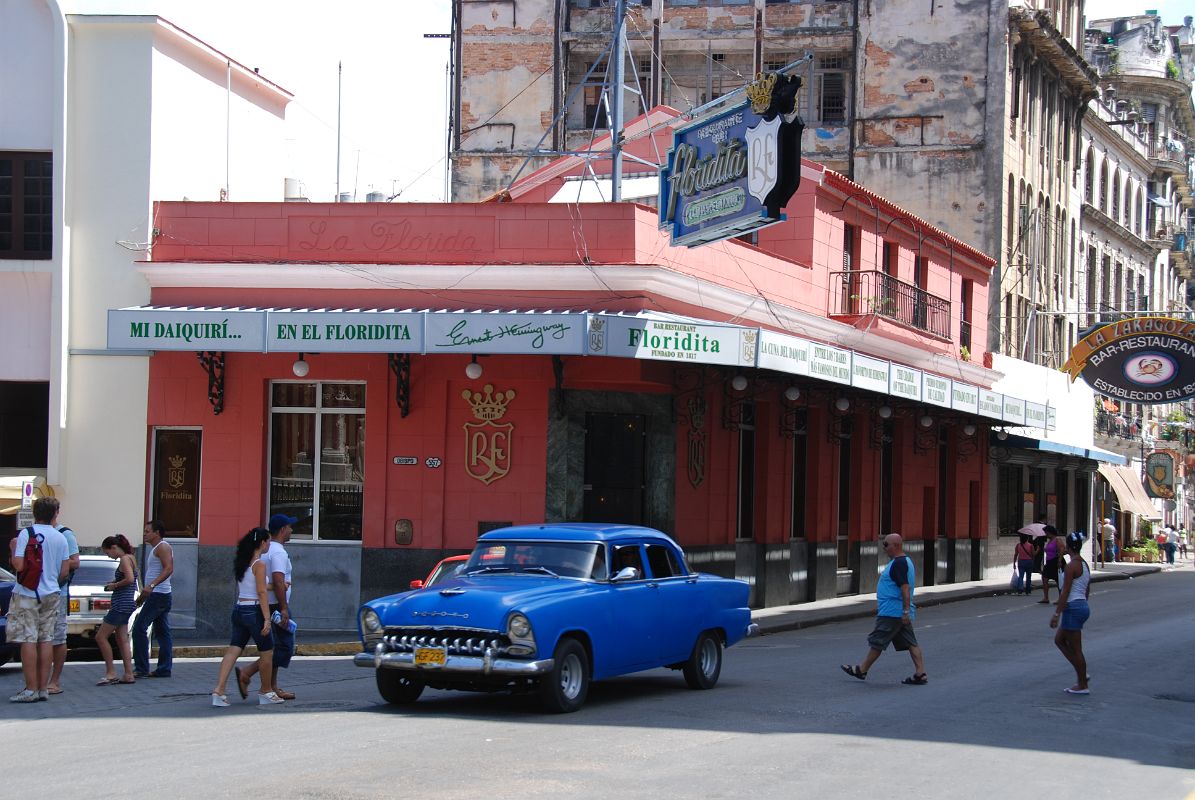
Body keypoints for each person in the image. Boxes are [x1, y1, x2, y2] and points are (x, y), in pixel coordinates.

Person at [840, 533, 927, 685]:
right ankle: (920, 673)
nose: (884, 548)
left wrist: (905, 611)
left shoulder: (899, 563)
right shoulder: (904, 561)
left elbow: (905, 588)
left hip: (892, 612)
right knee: (911, 642)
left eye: (886, 545)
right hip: (897, 612)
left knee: (878, 641)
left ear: (896, 545)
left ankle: (862, 670)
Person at [211, 527, 284, 706]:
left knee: (233, 650)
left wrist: (272, 586)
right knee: (267, 651)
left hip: (239, 609)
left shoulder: (243, 562)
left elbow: (253, 586)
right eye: (267, 541)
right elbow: (260, 591)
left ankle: (218, 691)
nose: (268, 544)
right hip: (254, 611)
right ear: (262, 543)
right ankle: (266, 691)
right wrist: (267, 618)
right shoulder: (259, 564)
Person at [8, 497, 71, 703]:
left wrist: (12, 549)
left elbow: (18, 565)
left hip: (27, 592)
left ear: (35, 513)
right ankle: (44, 688)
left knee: (28, 639)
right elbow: (64, 571)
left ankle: (30, 689)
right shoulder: (61, 537)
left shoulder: (26, 533)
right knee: (46, 639)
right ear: (55, 514)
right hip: (52, 593)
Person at [237, 513, 297, 701]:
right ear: (282, 530)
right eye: (289, 527)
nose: (291, 530)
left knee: (275, 645)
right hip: (276, 605)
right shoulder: (278, 551)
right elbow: (279, 581)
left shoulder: (267, 549)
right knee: (283, 647)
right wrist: (284, 607)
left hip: (266, 604)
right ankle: (249, 674)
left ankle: (272, 686)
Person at [1051, 532, 1092, 695]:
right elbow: (1087, 588)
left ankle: (1082, 683)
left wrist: (1056, 614)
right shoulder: (1084, 564)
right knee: (1060, 640)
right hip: (1081, 605)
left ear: (1068, 547)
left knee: (1076, 649)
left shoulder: (1071, 566)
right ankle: (1082, 674)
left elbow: (1065, 591)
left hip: (1073, 607)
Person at [132, 519, 174, 678]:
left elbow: (169, 568)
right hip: (159, 595)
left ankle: (141, 668)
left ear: (157, 533)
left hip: (158, 595)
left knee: (139, 628)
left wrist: (152, 585)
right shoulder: (157, 548)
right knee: (163, 632)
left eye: (147, 531)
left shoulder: (162, 547)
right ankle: (164, 669)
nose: (144, 534)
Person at [95, 535, 138, 686]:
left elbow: (130, 579)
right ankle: (128, 673)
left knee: (100, 637)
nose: (109, 556)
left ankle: (111, 672)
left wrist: (115, 585)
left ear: (114, 547)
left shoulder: (124, 559)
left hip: (120, 604)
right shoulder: (131, 557)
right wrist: (115, 582)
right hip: (127, 604)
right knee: (122, 639)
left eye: (108, 553)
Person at [46, 522, 80, 695]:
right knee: (39, 638)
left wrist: (56, 566)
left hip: (58, 592)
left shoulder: (65, 534)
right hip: (39, 593)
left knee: (57, 637)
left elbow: (75, 562)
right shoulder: (34, 533)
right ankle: (38, 682)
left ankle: (54, 681)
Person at [1038, 525, 1061, 604]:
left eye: (1046, 533)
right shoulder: (1050, 541)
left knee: (1058, 580)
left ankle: (1061, 597)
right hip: (1049, 562)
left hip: (1055, 561)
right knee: (1044, 578)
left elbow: (1062, 550)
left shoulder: (1057, 540)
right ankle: (1046, 597)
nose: (1046, 534)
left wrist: (1059, 561)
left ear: (1050, 532)